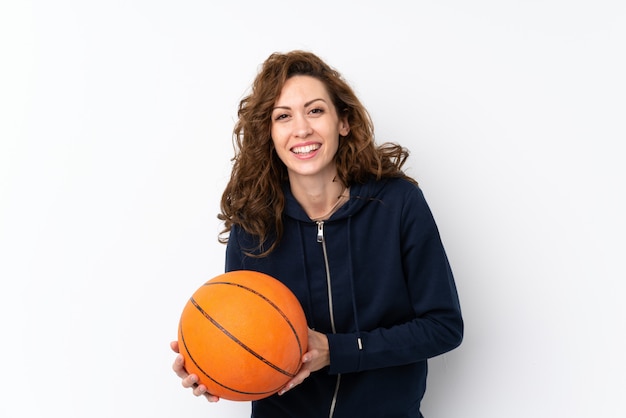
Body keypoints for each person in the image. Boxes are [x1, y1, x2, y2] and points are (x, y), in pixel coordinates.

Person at [171, 50, 463, 418]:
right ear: (270, 133)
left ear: (343, 121)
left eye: (315, 110)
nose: (302, 129)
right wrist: (213, 367)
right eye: (283, 116)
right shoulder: (254, 223)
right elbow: (243, 336)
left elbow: (443, 327)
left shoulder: (398, 204)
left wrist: (337, 351)